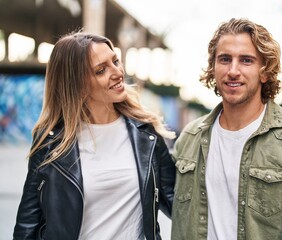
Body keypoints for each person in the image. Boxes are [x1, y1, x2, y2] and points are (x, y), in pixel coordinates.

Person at [171, 18, 282, 240]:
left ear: (265, 72)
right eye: (225, 59)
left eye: (246, 60)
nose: (233, 70)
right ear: (213, 68)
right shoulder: (190, 137)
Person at [13, 31, 176, 240]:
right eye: (101, 70)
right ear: (77, 85)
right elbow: (28, 222)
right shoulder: (51, 142)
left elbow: (179, 203)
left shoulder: (147, 135)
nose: (117, 72)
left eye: (115, 61)